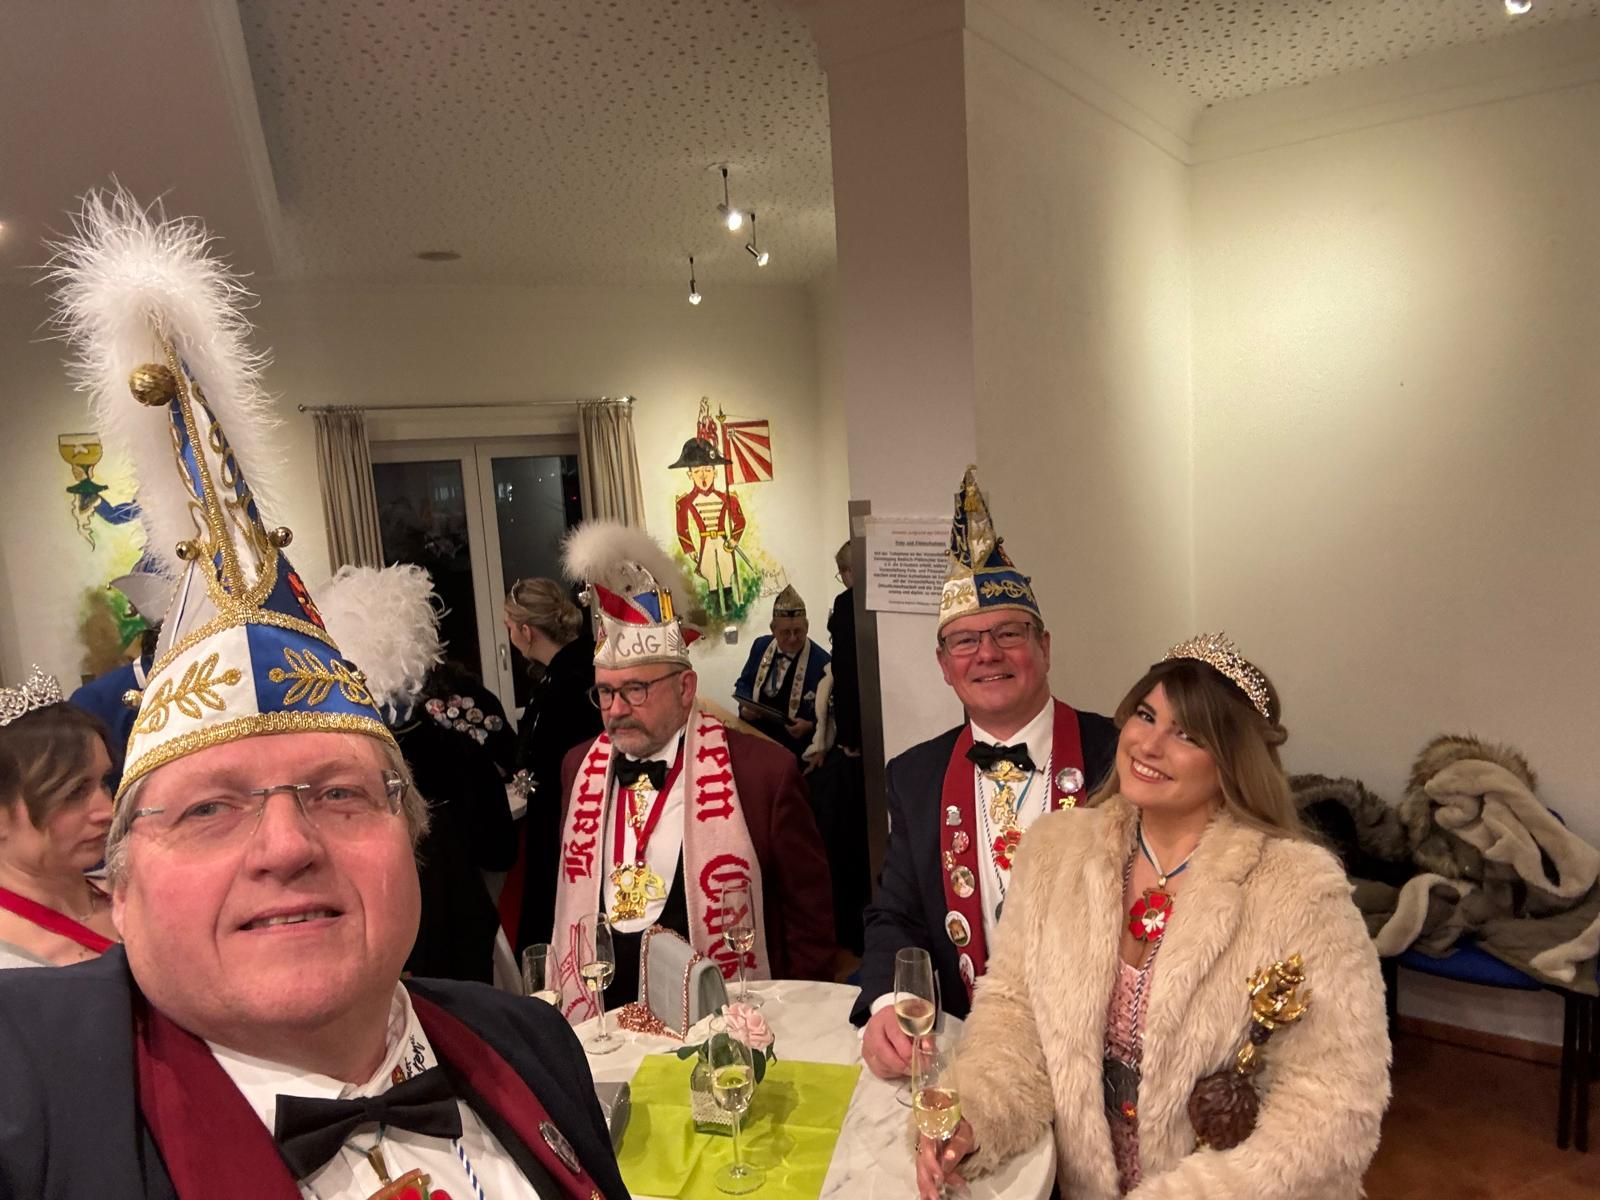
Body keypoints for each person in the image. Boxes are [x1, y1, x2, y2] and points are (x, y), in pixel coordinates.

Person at [0, 189, 628, 1199]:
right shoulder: (29, 1102)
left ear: (411, 838)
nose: (287, 845)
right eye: (208, 809)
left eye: (339, 793)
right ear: (119, 886)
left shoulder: (534, 1041)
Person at [916, 634, 1390, 1200]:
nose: (1149, 743)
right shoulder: (1054, 851)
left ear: (1232, 759)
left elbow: (1334, 1103)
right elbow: (1014, 1012)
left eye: (1187, 734)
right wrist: (976, 1116)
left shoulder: (1300, 890)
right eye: (1145, 715)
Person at [854, 466, 1119, 1077]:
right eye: (966, 641)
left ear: (1044, 647)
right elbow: (896, 916)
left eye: (1008, 633)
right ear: (944, 665)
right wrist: (890, 1004)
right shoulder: (914, 776)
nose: (988, 653)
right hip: (971, 1056)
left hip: (1105, 1056)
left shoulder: (1121, 754)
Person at [550, 520, 836, 1015]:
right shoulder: (578, 768)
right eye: (605, 692)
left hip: (726, 1029)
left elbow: (810, 929)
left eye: (636, 689)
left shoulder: (764, 775)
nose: (616, 710)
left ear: (685, 689)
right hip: (605, 1030)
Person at [319, 563, 516, 985]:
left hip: (368, 956)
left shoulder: (327, 777)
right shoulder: (460, 750)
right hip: (460, 947)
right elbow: (500, 851)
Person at [504, 576, 601, 951]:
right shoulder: (563, 673)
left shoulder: (571, 681)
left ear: (526, 631)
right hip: (562, 816)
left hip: (571, 824)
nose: (510, 636)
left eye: (509, 627)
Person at [0, 669, 118, 967]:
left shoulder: (129, 889)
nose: (108, 810)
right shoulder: (10, 965)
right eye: (74, 793)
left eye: (104, 782)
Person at [734, 585, 831, 762]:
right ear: (773, 629)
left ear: (807, 627)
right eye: (785, 632)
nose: (793, 638)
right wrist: (745, 707)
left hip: (793, 749)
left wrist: (810, 726)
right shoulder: (761, 646)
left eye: (798, 631)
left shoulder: (823, 663)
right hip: (757, 736)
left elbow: (832, 716)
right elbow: (744, 683)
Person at [670, 436, 747, 613]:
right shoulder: (684, 502)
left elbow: (740, 521)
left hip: (723, 541)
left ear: (715, 472)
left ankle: (729, 609)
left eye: (707, 470)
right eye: (697, 471)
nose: (703, 475)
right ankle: (716, 612)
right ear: (690, 474)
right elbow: (682, 528)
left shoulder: (727, 497)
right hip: (705, 544)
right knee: (711, 576)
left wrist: (734, 539)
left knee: (726, 574)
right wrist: (690, 548)